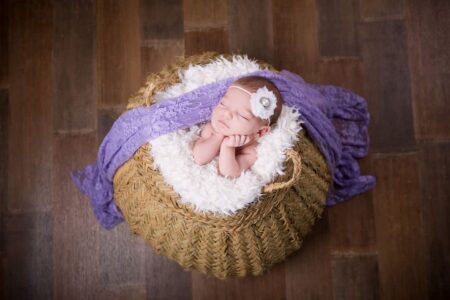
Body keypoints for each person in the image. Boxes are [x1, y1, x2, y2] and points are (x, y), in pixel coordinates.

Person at [192, 75, 283, 178]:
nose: (226, 114)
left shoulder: (250, 149)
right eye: (223, 104)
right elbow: (199, 158)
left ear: (260, 132)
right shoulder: (212, 129)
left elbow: (229, 174)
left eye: (242, 116)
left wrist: (228, 148)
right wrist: (218, 136)